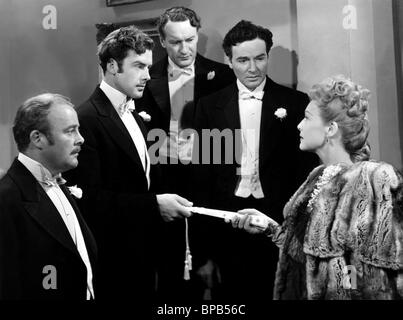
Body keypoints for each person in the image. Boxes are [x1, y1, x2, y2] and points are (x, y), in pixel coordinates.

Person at [231, 75, 403, 299]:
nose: (299, 125)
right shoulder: (318, 177)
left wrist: (339, 286)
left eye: (307, 117)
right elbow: (311, 256)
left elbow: (368, 277)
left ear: (330, 129)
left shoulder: (367, 182)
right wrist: (270, 228)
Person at [64, 26, 193, 301]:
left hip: (143, 252)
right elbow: (89, 199)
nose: (147, 75)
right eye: (138, 66)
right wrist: (154, 205)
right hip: (113, 258)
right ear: (112, 66)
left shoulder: (134, 114)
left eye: (148, 66)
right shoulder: (85, 119)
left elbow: (142, 178)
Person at [192, 20, 318, 300]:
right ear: (229, 60)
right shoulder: (209, 106)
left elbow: (305, 176)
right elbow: (204, 179)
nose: (253, 68)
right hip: (228, 223)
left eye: (260, 58)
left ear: (268, 56)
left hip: (278, 222)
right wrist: (204, 252)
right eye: (243, 60)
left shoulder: (296, 103)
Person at [136, 7, 235, 301]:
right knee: (171, 280)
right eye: (175, 42)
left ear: (197, 35)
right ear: (162, 42)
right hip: (164, 186)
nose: (184, 49)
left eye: (190, 40)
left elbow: (233, 141)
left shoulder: (224, 77)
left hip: (211, 187)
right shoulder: (144, 77)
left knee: (217, 282)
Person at [0, 93, 97, 300]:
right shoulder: (6, 200)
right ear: (37, 139)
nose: (81, 139)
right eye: (71, 131)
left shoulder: (60, 183)